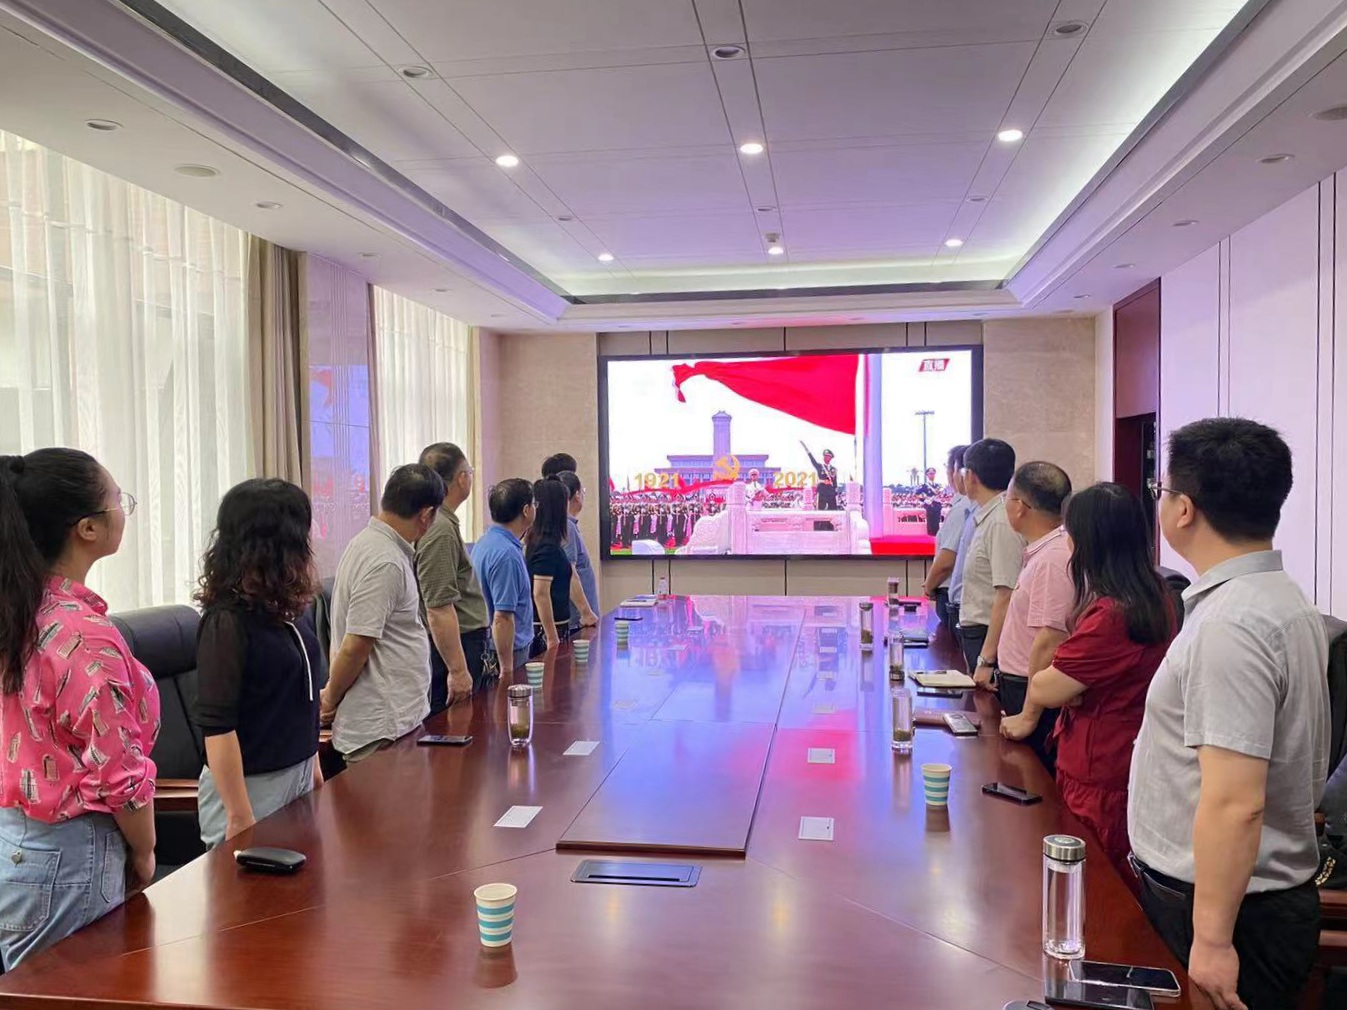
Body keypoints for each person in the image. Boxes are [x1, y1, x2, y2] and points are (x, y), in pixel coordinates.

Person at [1129, 418, 1328, 1010]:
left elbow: (1236, 801)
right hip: (1239, 900)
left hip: (1228, 914)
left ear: (1184, 509)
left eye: (1162, 490)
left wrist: (1213, 940)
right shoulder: (1277, 599)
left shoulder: (1232, 625)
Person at [0, 449, 158, 969]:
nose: (124, 510)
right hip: (69, 855)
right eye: (118, 500)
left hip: (18, 842)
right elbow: (120, 769)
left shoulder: (19, 613)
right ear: (87, 528)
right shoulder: (82, 633)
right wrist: (144, 849)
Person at [1004, 483, 1173, 875]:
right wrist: (1072, 687)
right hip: (1116, 757)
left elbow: (1045, 686)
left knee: (1092, 878)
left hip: (1098, 771)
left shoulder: (1114, 615)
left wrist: (1065, 687)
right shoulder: (1154, 595)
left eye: (1071, 533)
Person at [193, 479, 324, 847]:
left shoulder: (287, 611)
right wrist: (238, 813)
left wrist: (313, 766)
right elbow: (218, 727)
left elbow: (302, 700)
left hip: (298, 773)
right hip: (249, 788)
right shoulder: (226, 621)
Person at [321, 465, 444, 764]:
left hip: (392, 725)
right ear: (426, 514)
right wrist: (329, 699)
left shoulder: (367, 543)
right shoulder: (385, 561)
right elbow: (356, 645)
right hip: (383, 728)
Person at [995, 462, 1074, 772]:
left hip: (1032, 693)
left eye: (1007, 499)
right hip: (1021, 686)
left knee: (1030, 781)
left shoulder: (1053, 558)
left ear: (1020, 507)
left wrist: (1028, 715)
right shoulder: (1044, 551)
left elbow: (1050, 640)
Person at [416, 442, 491, 711]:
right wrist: (458, 670)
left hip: (462, 643)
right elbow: (438, 607)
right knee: (456, 726)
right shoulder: (439, 528)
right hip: (456, 647)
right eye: (469, 471)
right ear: (461, 478)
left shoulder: (442, 522)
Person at [955, 438, 1023, 681]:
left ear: (971, 477)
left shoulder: (1000, 521)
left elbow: (1006, 594)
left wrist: (986, 659)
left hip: (989, 637)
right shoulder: (990, 514)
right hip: (979, 633)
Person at [472, 478, 537, 675]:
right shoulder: (507, 554)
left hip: (492, 647)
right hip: (508, 653)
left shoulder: (485, 542)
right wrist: (507, 670)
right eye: (534, 504)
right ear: (526, 510)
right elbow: (503, 618)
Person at [921, 445, 970, 628]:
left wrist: (928, 586)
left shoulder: (962, 508)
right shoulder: (970, 505)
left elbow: (946, 561)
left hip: (951, 594)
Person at [526, 479, 575, 650]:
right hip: (547, 631)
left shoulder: (543, 541)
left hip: (555, 626)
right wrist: (552, 636)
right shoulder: (546, 546)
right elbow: (540, 593)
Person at [552, 471, 600, 633]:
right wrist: (586, 613)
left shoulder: (567, 524)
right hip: (578, 622)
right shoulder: (567, 526)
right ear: (577, 495)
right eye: (583, 491)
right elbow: (569, 572)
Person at [802, 443, 839, 510]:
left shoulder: (833, 469)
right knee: (820, 510)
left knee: (833, 510)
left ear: (830, 458)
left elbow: (834, 482)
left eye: (828, 456)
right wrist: (808, 451)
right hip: (822, 491)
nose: (826, 457)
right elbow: (813, 460)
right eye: (825, 456)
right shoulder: (819, 466)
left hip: (831, 492)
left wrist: (835, 491)